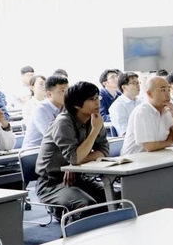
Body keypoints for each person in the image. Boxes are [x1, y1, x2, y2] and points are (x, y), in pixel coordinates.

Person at [35, 81, 109, 218]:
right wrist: (95, 130)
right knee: (87, 204)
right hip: (51, 183)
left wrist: (74, 165)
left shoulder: (94, 119)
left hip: (78, 177)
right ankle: (69, 230)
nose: (97, 103)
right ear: (76, 105)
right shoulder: (63, 122)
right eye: (91, 99)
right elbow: (75, 157)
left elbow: (104, 150)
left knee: (115, 196)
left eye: (97, 98)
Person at [121, 76, 173, 156]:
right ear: (149, 93)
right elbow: (150, 146)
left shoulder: (168, 110)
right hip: (133, 160)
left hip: (156, 157)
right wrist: (169, 141)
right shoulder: (142, 111)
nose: (168, 94)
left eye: (168, 90)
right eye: (163, 90)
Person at [23, 74, 68, 149]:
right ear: (49, 94)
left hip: (54, 149)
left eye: (68, 90)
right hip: (34, 151)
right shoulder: (40, 110)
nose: (67, 94)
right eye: (63, 91)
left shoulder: (65, 107)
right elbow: (52, 136)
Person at [108, 72, 141, 137]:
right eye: (134, 83)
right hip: (130, 142)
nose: (138, 85)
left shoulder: (141, 102)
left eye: (138, 83)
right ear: (124, 87)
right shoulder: (117, 107)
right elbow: (125, 132)